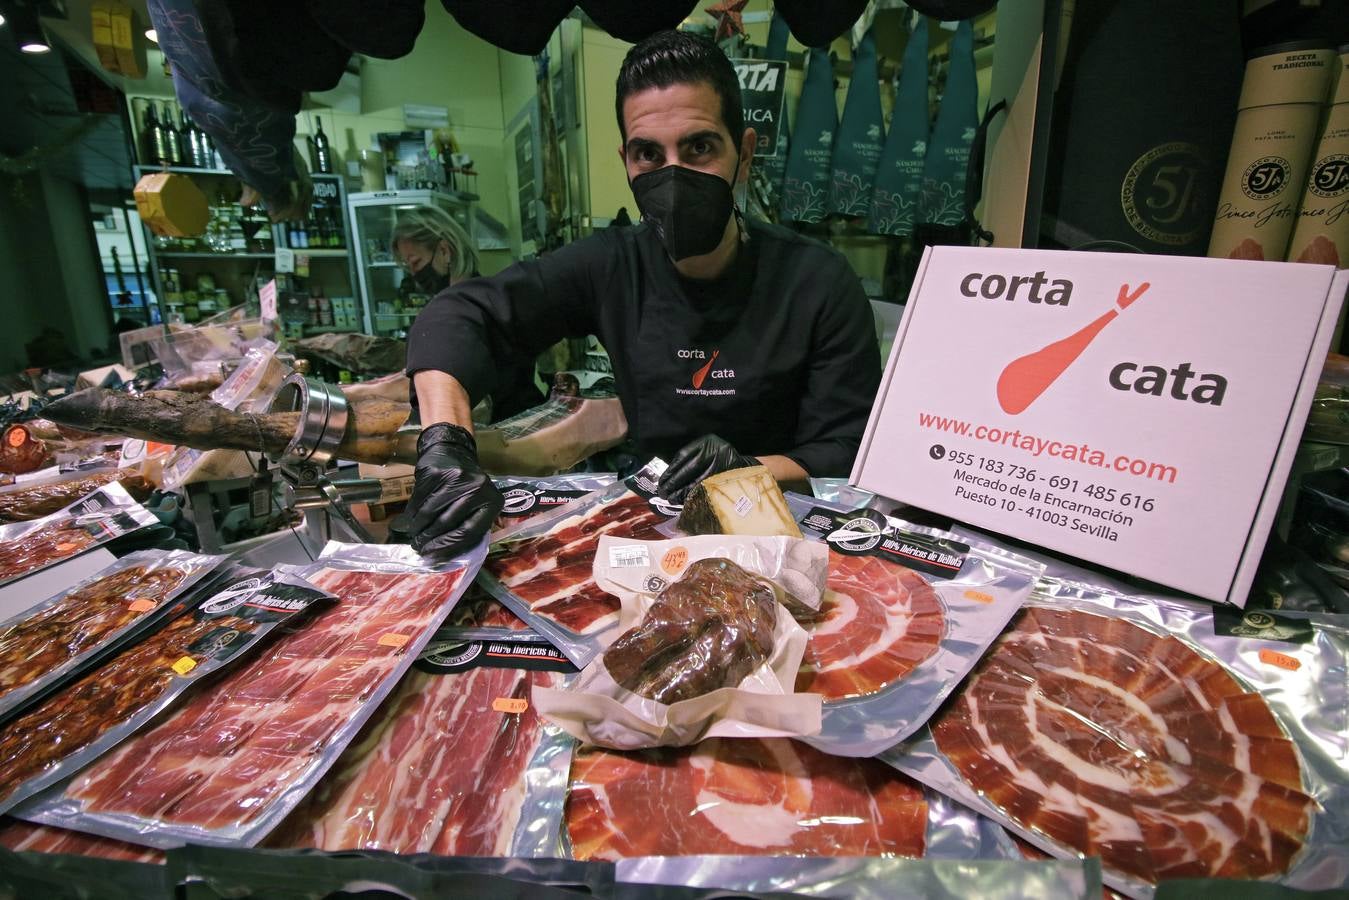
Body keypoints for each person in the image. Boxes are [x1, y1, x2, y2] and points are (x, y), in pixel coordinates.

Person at [404, 29, 882, 556]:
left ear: (744, 153)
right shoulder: (609, 264)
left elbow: (846, 450)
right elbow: (462, 312)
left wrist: (750, 469)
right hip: (655, 531)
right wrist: (444, 442)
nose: (673, 176)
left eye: (699, 147)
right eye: (649, 154)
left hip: (781, 528)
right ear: (626, 161)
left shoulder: (819, 282)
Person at [390, 206, 543, 420]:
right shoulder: (469, 303)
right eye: (409, 267)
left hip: (512, 429)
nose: (415, 275)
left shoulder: (471, 311)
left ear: (444, 250)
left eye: (416, 262)